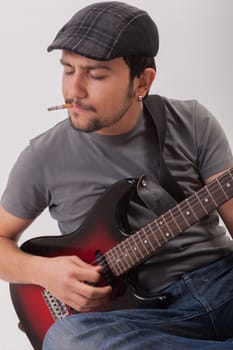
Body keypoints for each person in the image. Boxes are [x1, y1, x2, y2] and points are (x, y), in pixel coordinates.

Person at [1, 1, 233, 349]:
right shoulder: (42, 157)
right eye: (67, 69)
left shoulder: (193, 122)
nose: (74, 90)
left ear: (143, 81)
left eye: (95, 75)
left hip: (221, 282)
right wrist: (44, 273)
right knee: (66, 338)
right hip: (135, 318)